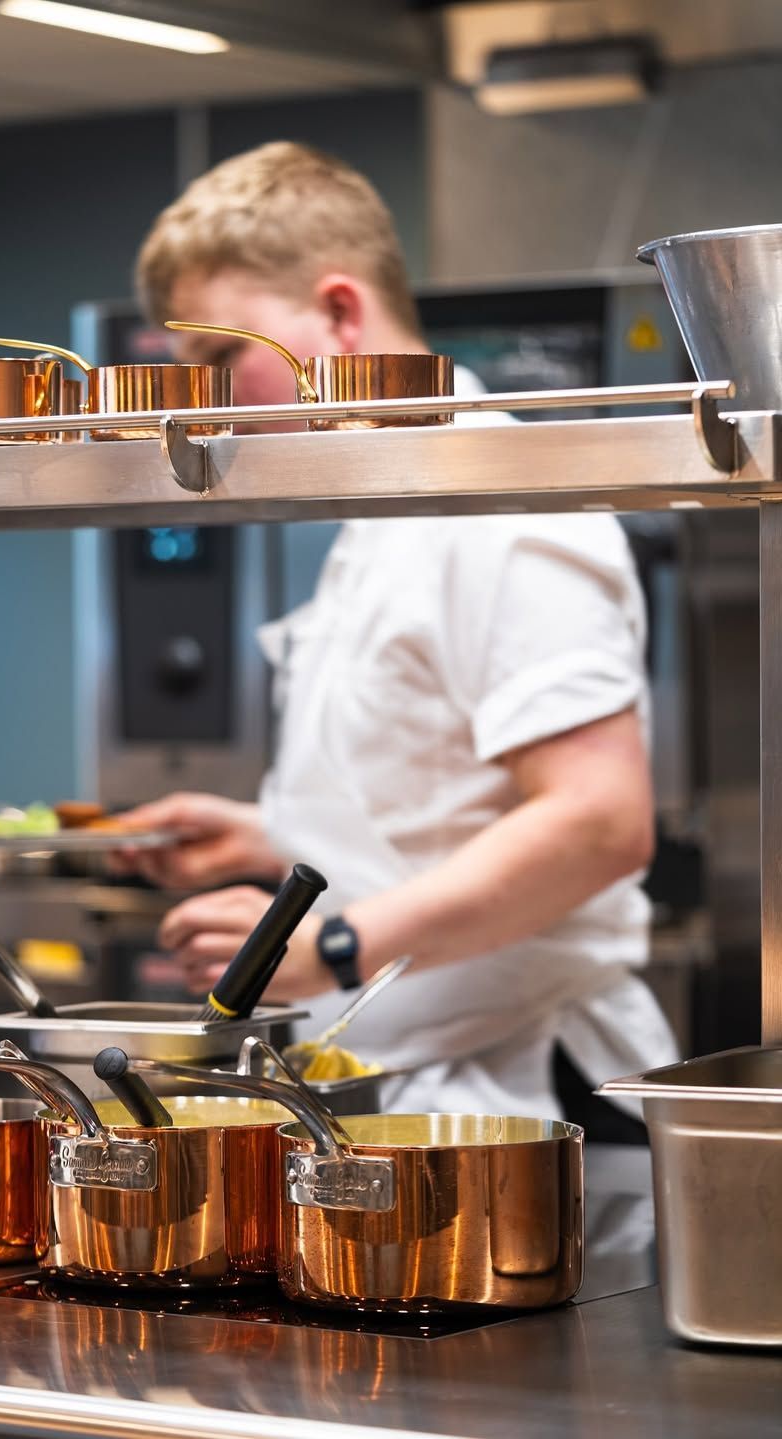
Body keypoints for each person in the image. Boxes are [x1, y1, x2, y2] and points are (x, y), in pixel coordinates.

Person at [112, 141, 677, 1126]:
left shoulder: (509, 507)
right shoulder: (383, 514)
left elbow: (599, 819)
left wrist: (332, 944)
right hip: (409, 1082)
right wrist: (266, 834)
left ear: (337, 313)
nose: (203, 400)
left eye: (220, 358)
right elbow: (441, 796)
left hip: (532, 1094)